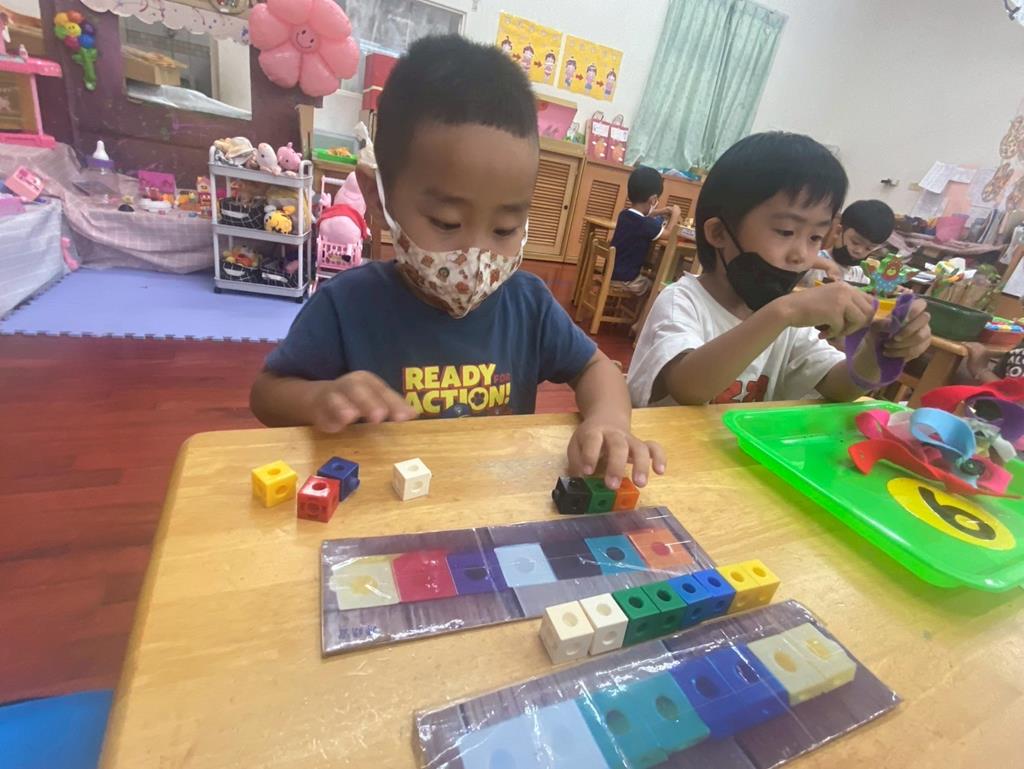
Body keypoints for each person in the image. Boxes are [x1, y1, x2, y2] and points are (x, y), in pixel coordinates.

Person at [250, 35, 663, 489]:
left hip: (488, 500)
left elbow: (596, 368)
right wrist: (320, 399)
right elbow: (266, 395)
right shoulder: (345, 305)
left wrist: (609, 420)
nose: (476, 256)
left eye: (505, 228)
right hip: (385, 507)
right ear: (378, 199)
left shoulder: (528, 304)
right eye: (446, 222)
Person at [627, 132, 932, 406]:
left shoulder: (791, 323)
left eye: (815, 237)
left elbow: (839, 387)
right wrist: (784, 312)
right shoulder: (681, 302)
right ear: (719, 233)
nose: (802, 255)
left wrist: (877, 349)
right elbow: (689, 388)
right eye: (786, 231)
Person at [609, 166, 680, 295]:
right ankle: (639, 309)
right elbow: (669, 234)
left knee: (649, 279)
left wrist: (662, 211)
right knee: (656, 288)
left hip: (612, 274)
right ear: (653, 200)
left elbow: (644, 215)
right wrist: (675, 213)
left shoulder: (624, 214)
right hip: (628, 281)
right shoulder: (646, 224)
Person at [805, 199, 896, 285]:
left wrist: (892, 288)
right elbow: (801, 260)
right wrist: (827, 265)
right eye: (855, 242)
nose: (859, 251)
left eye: (868, 248)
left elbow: (873, 288)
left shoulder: (859, 274)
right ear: (838, 231)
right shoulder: (816, 261)